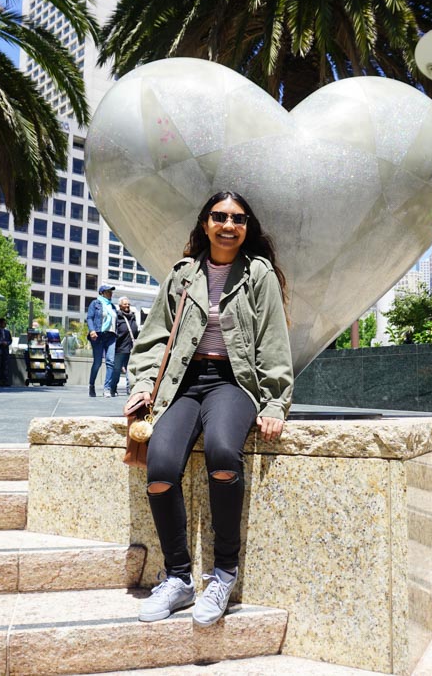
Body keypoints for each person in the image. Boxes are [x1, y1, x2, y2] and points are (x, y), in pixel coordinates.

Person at [124, 191, 292, 626]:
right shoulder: (182, 275)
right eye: (219, 217)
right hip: (183, 383)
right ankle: (179, 579)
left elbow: (274, 340)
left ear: (247, 227)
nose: (228, 225)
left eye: (237, 218)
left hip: (233, 382)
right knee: (160, 467)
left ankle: (224, 574)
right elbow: (154, 337)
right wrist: (143, 385)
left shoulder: (259, 275)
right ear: (205, 224)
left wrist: (275, 401)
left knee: (222, 452)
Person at [86, 284, 117, 397]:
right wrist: (92, 330)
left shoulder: (113, 307)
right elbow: (89, 317)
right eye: (108, 291)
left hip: (111, 336)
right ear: (102, 293)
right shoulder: (95, 303)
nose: (110, 293)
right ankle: (91, 385)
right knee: (98, 363)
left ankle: (107, 389)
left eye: (111, 292)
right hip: (98, 335)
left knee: (110, 362)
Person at [109, 296, 139, 397]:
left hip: (131, 348)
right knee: (116, 369)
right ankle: (112, 388)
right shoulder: (117, 316)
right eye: (125, 304)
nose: (127, 306)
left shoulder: (133, 316)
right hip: (120, 348)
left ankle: (129, 389)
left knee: (129, 370)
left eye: (128, 304)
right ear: (120, 305)